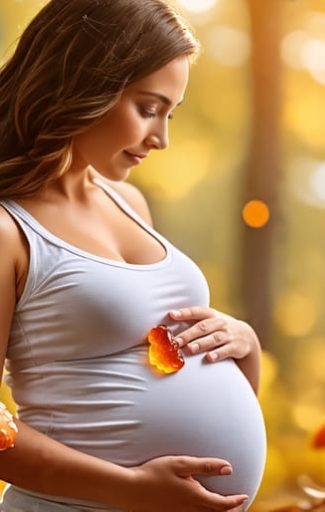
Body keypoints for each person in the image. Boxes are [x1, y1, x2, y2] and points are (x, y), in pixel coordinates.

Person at [0, 0, 267, 510]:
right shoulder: (9, 228)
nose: (161, 138)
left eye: (170, 113)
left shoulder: (129, 202)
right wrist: (132, 489)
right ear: (80, 85)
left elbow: (159, 364)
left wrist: (244, 344)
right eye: (148, 109)